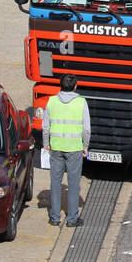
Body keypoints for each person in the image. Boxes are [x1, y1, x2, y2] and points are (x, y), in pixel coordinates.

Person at [44, 74, 90, 227]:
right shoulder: (81, 103)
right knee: (74, 183)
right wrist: (85, 146)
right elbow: (86, 128)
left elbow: (46, 126)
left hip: (56, 146)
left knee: (55, 183)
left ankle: (55, 217)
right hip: (74, 148)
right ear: (75, 86)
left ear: (60, 85)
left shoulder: (51, 101)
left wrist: (46, 143)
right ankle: (72, 219)